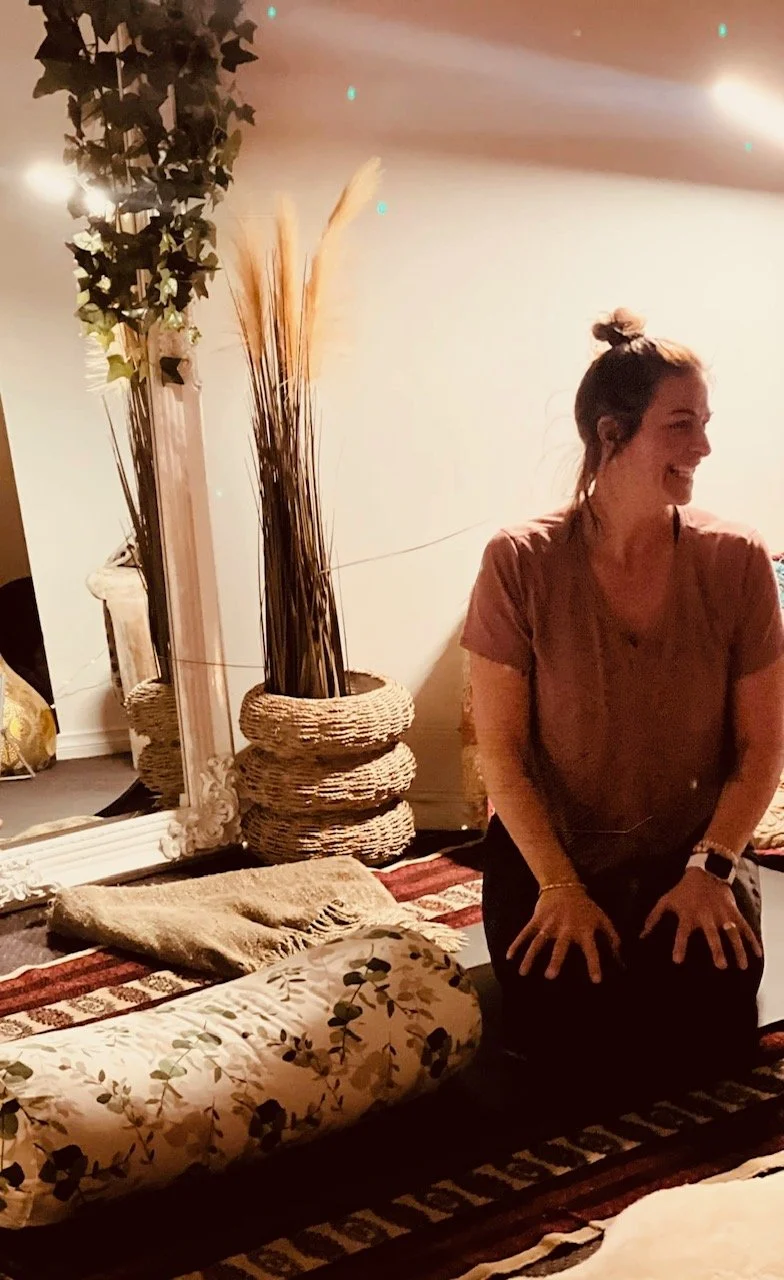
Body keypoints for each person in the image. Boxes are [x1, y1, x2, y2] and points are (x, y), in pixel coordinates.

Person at [461, 309, 784, 1105]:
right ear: (613, 432)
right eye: (681, 425)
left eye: (704, 424)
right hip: (557, 867)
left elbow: (761, 752)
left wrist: (713, 870)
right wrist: (560, 890)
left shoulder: (738, 560)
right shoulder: (518, 560)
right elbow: (499, 753)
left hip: (693, 861)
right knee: (576, 1064)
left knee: (704, 1048)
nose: (703, 448)